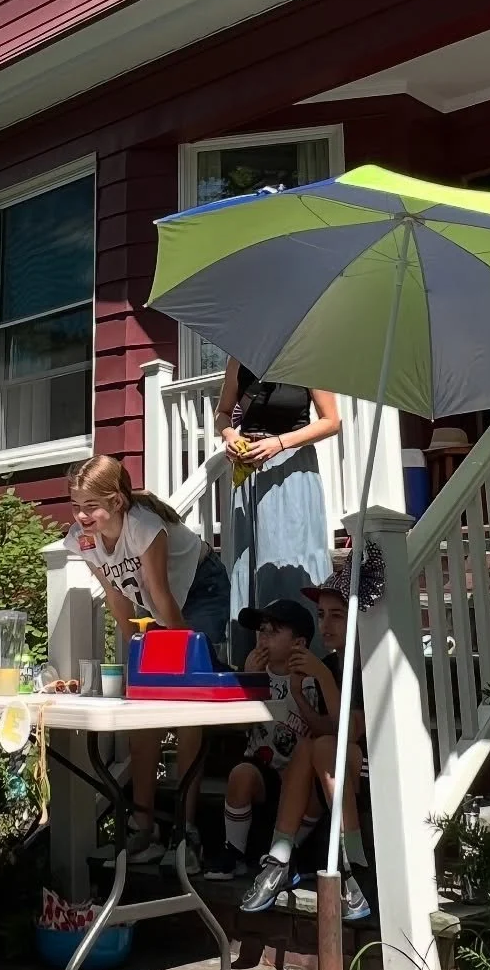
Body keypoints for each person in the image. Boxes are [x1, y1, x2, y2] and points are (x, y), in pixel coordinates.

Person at [66, 455, 230, 867]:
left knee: (188, 706)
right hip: (163, 604)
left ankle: (186, 833)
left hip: (200, 590)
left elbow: (161, 598)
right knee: (143, 710)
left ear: (117, 501)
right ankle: (145, 829)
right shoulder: (82, 538)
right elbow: (118, 596)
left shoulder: (143, 528)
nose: (82, 516)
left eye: (90, 506)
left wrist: (175, 658)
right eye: (76, 506)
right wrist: (137, 655)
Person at [239, 546, 381, 922]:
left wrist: (322, 678)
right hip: (327, 771)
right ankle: (281, 858)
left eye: (337, 615)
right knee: (312, 747)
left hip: (366, 767)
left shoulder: (369, 664)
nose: (326, 625)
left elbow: (350, 732)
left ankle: (346, 867)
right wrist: (302, 695)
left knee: (322, 749)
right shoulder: (330, 663)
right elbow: (322, 730)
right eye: (321, 616)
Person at [205, 597, 334, 880]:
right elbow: (239, 727)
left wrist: (300, 695)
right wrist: (248, 681)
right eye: (261, 630)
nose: (263, 638)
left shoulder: (313, 678)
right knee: (240, 774)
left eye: (273, 632)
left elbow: (326, 729)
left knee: (315, 788)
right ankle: (235, 851)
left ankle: (289, 851)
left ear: (298, 643)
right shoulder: (254, 674)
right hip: (263, 771)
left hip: (302, 774)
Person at [216, 363, 339, 657]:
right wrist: (231, 438)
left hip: (292, 467)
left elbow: (331, 421)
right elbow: (223, 413)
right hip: (250, 471)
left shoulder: (307, 354)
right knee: (250, 562)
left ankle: (305, 662)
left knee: (291, 559)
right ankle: (255, 660)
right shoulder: (240, 357)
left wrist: (280, 443)